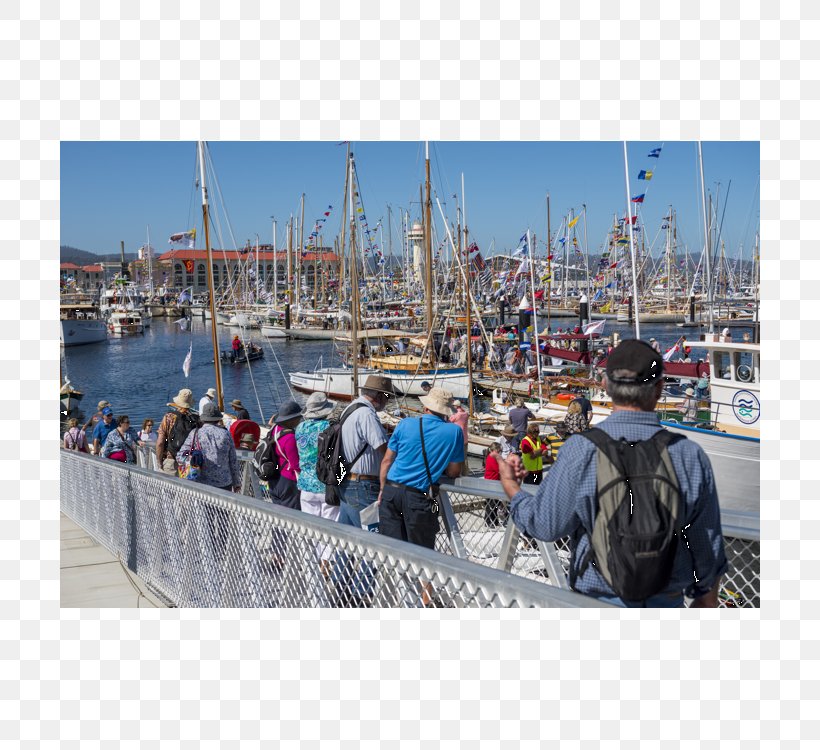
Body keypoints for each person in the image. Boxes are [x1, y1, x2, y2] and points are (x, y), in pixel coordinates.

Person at [497, 338, 728, 607]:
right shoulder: (689, 455)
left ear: (605, 386)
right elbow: (706, 544)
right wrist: (706, 600)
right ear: (660, 388)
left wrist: (512, 488)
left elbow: (545, 524)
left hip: (596, 603)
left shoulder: (581, 449)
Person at [378, 387, 464, 551]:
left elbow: (386, 461)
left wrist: (382, 489)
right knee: (422, 553)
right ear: (446, 411)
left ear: (426, 408)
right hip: (417, 496)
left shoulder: (404, 424)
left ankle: (398, 576)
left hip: (391, 491)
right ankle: (421, 578)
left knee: (392, 549)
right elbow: (454, 472)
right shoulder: (454, 432)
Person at [337, 374, 394, 531]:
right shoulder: (367, 414)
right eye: (387, 397)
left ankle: (336, 557)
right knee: (373, 540)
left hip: (347, 481)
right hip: (363, 485)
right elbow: (383, 447)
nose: (387, 402)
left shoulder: (350, 408)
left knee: (346, 539)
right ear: (380, 396)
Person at [295, 392, 339, 521]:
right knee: (331, 529)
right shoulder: (330, 427)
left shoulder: (300, 427)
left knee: (310, 529)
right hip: (326, 483)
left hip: (306, 483)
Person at [178, 403, 241, 491]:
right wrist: (236, 482)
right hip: (224, 482)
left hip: (202, 482)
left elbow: (180, 456)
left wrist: (194, 458)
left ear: (203, 418)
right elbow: (233, 460)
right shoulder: (226, 434)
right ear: (218, 418)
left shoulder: (195, 433)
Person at [265, 399, 303, 509]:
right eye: (298, 417)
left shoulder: (274, 429)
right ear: (292, 420)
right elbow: (296, 465)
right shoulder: (290, 438)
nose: (300, 419)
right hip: (288, 481)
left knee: (279, 515)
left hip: (274, 478)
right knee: (292, 516)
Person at [156, 388, 199, 476]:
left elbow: (160, 442)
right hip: (188, 463)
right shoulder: (196, 419)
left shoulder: (169, 417)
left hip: (171, 460)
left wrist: (159, 462)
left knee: (169, 488)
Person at [482, 442, 507, 529]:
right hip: (490, 483)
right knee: (490, 503)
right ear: (494, 450)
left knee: (495, 502)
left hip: (495, 482)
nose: (500, 452)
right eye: (499, 450)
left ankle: (495, 520)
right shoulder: (491, 458)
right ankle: (488, 521)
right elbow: (498, 469)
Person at [448, 400, 470, 475]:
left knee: (455, 457)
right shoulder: (466, 414)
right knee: (465, 458)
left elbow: (449, 421)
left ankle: (456, 473)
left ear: (456, 406)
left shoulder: (457, 415)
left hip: (458, 439)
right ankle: (465, 473)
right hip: (465, 439)